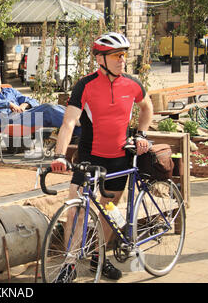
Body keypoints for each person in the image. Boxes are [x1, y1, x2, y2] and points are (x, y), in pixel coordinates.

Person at [51, 32, 154, 281]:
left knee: (108, 211)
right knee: (75, 210)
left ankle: (99, 257)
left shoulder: (132, 84)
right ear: (100, 59)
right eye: (117, 56)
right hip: (89, 157)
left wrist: (140, 133)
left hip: (119, 158)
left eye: (124, 55)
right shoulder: (84, 85)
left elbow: (147, 107)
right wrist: (59, 156)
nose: (123, 60)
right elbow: (69, 123)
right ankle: (70, 264)